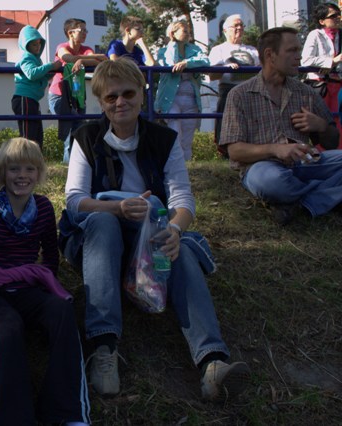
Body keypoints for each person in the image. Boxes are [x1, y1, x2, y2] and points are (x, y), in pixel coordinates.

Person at [59, 58, 250, 401]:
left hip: (149, 235)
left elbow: (183, 200)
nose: (120, 102)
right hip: (97, 242)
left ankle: (212, 362)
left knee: (179, 247)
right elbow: (74, 201)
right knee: (103, 221)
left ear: (142, 94)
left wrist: (175, 229)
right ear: (101, 102)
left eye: (128, 93)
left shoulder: (164, 139)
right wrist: (116, 208)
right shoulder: (85, 137)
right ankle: (104, 348)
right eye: (111, 97)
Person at [0, 137, 90, 426]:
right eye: (14, 169)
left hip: (27, 286)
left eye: (30, 169)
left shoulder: (43, 208)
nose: (22, 176)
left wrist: (44, 282)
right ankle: (9, 419)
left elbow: (50, 254)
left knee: (61, 311)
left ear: (39, 173)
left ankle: (67, 412)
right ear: (2, 172)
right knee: (9, 324)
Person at [220, 27, 342, 225]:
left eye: (298, 50)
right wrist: (276, 149)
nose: (299, 56)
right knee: (272, 182)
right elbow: (235, 151)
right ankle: (325, 197)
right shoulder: (240, 95)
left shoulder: (306, 92)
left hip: (305, 163)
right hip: (262, 167)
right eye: (292, 50)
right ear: (270, 55)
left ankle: (301, 203)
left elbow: (332, 142)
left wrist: (321, 126)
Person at [47, 18, 107, 163]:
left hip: (77, 95)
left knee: (79, 129)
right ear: (70, 33)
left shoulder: (86, 49)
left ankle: (77, 163)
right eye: (82, 30)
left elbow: (97, 61)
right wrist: (93, 57)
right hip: (60, 95)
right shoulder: (62, 46)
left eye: (86, 30)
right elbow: (67, 57)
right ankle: (69, 164)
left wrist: (80, 60)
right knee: (70, 128)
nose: (85, 33)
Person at [155, 20, 209, 161]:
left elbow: (205, 61)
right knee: (175, 133)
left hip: (191, 99)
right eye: (185, 31)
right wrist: (173, 44)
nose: (188, 34)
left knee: (187, 138)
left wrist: (187, 63)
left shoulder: (195, 49)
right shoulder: (163, 51)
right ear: (173, 33)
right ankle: (174, 164)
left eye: (189, 31)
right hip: (170, 99)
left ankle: (187, 167)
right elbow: (170, 63)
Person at [208, 14, 260, 156]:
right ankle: (226, 152)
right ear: (225, 30)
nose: (239, 28)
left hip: (250, 90)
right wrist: (226, 68)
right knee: (226, 122)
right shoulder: (218, 50)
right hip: (228, 90)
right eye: (235, 26)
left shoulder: (252, 50)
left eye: (241, 25)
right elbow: (212, 75)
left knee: (250, 123)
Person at [12, 26, 61, 150]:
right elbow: (32, 74)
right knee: (28, 135)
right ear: (26, 45)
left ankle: (34, 157)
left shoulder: (36, 60)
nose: (38, 47)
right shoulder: (26, 57)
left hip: (31, 99)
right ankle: (25, 157)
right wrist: (50, 66)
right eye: (34, 44)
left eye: (39, 44)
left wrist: (53, 71)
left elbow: (40, 76)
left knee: (36, 134)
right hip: (24, 98)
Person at [301, 3, 342, 149]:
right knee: (324, 121)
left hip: (338, 86)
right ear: (322, 21)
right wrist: (333, 61)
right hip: (321, 86)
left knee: (338, 120)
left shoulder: (340, 35)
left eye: (339, 15)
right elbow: (306, 60)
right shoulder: (315, 35)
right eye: (333, 16)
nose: (338, 18)